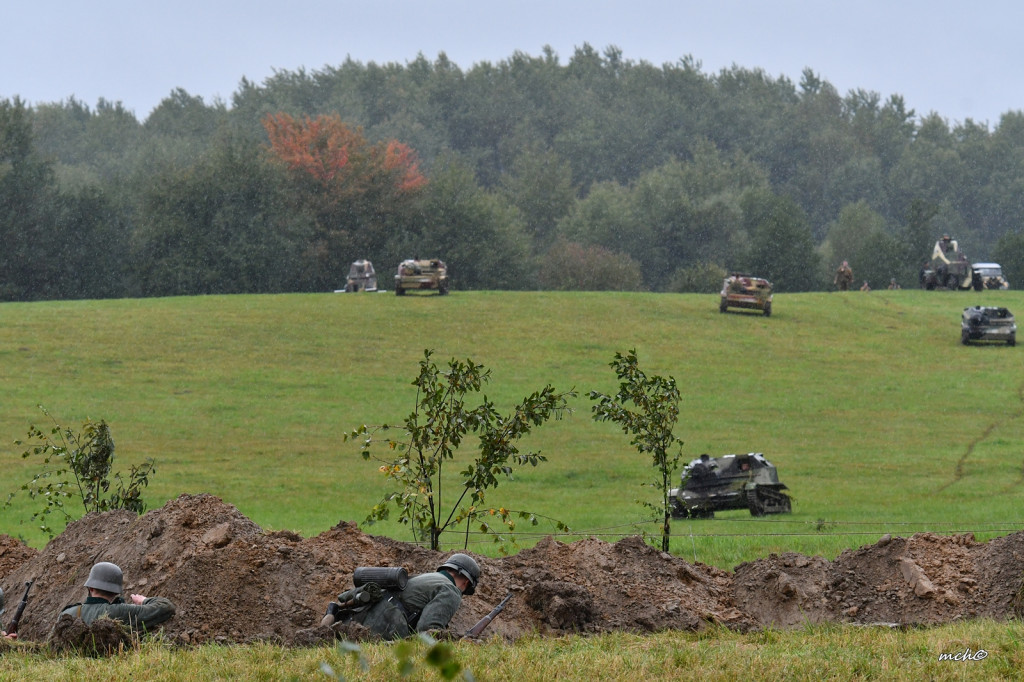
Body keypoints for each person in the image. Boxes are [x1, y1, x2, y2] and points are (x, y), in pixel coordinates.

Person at [321, 554, 480, 640]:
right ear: (466, 583)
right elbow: (427, 631)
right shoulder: (451, 590)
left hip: (359, 618)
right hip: (381, 628)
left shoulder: (427, 577)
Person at [56, 562, 176, 632]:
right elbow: (166, 607)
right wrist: (144, 600)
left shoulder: (68, 613)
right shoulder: (121, 612)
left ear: (91, 588)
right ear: (115, 593)